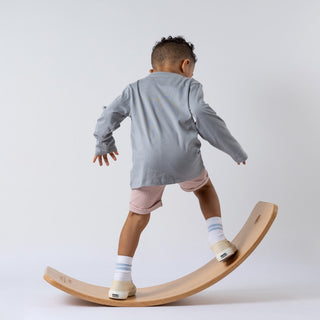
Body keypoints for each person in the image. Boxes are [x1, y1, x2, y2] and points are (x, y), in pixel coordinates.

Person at [93, 36, 248, 300]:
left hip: (148, 164)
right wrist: (233, 148)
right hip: (184, 158)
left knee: (136, 217)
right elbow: (204, 115)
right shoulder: (190, 86)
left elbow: (108, 117)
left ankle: (121, 280)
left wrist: (103, 142)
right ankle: (218, 239)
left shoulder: (135, 88)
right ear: (185, 65)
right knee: (204, 189)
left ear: (152, 70)